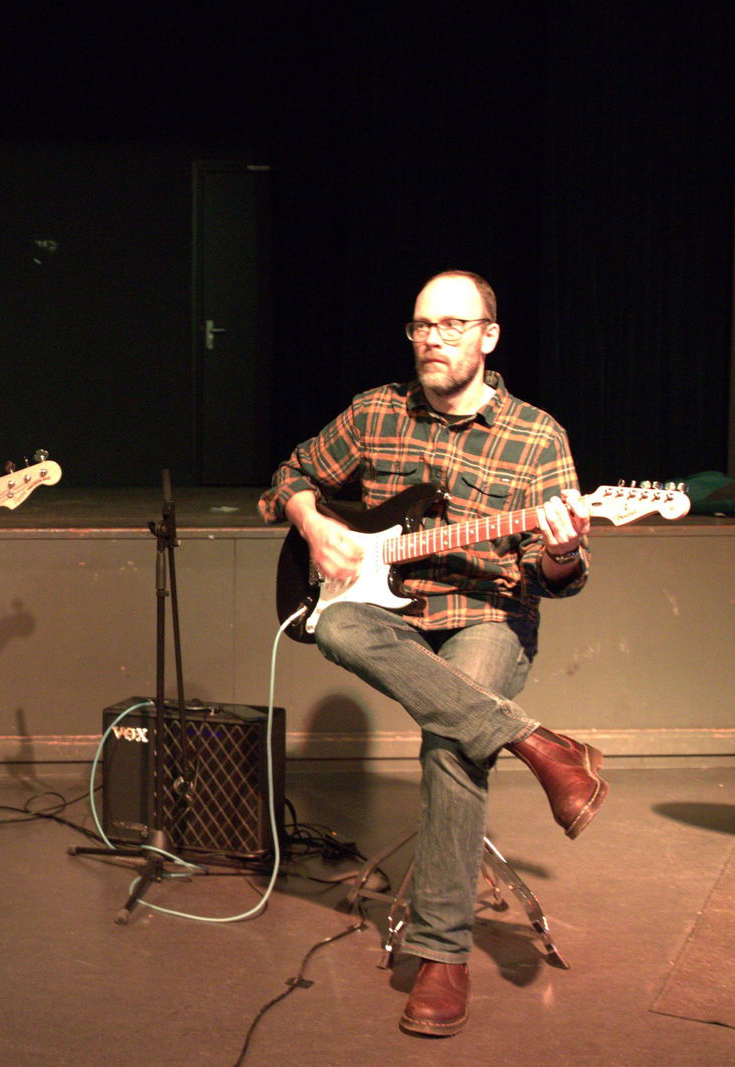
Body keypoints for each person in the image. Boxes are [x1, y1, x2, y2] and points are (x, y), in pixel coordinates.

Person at [258, 270, 607, 1037]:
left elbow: (561, 578)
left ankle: (442, 954)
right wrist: (315, 526)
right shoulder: (376, 411)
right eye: (421, 325)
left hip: (490, 615)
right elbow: (288, 475)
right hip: (393, 618)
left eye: (452, 325)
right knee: (338, 626)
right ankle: (538, 743)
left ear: (489, 336)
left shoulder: (537, 436)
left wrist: (561, 549)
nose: (432, 339)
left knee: (453, 742)